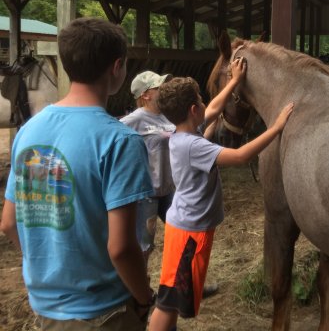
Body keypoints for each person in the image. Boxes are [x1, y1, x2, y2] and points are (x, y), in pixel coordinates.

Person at [0, 17, 156, 330]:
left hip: (45, 309)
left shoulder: (29, 132)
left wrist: (48, 272)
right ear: (117, 68)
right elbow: (121, 248)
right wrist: (144, 298)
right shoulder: (120, 140)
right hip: (104, 312)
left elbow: (8, 223)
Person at [148, 62, 294, 331]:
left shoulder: (184, 133)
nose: (206, 103)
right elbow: (239, 157)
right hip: (188, 235)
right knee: (169, 300)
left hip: (186, 228)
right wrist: (276, 127)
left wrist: (233, 81)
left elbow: (213, 109)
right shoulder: (194, 145)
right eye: (200, 99)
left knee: (172, 295)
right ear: (193, 110)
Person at [120, 71, 175, 271]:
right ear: (146, 95)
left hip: (169, 190)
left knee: (183, 235)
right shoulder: (134, 120)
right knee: (144, 246)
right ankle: (141, 293)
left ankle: (184, 286)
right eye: (159, 87)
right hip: (147, 194)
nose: (165, 90)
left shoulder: (167, 115)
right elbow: (112, 140)